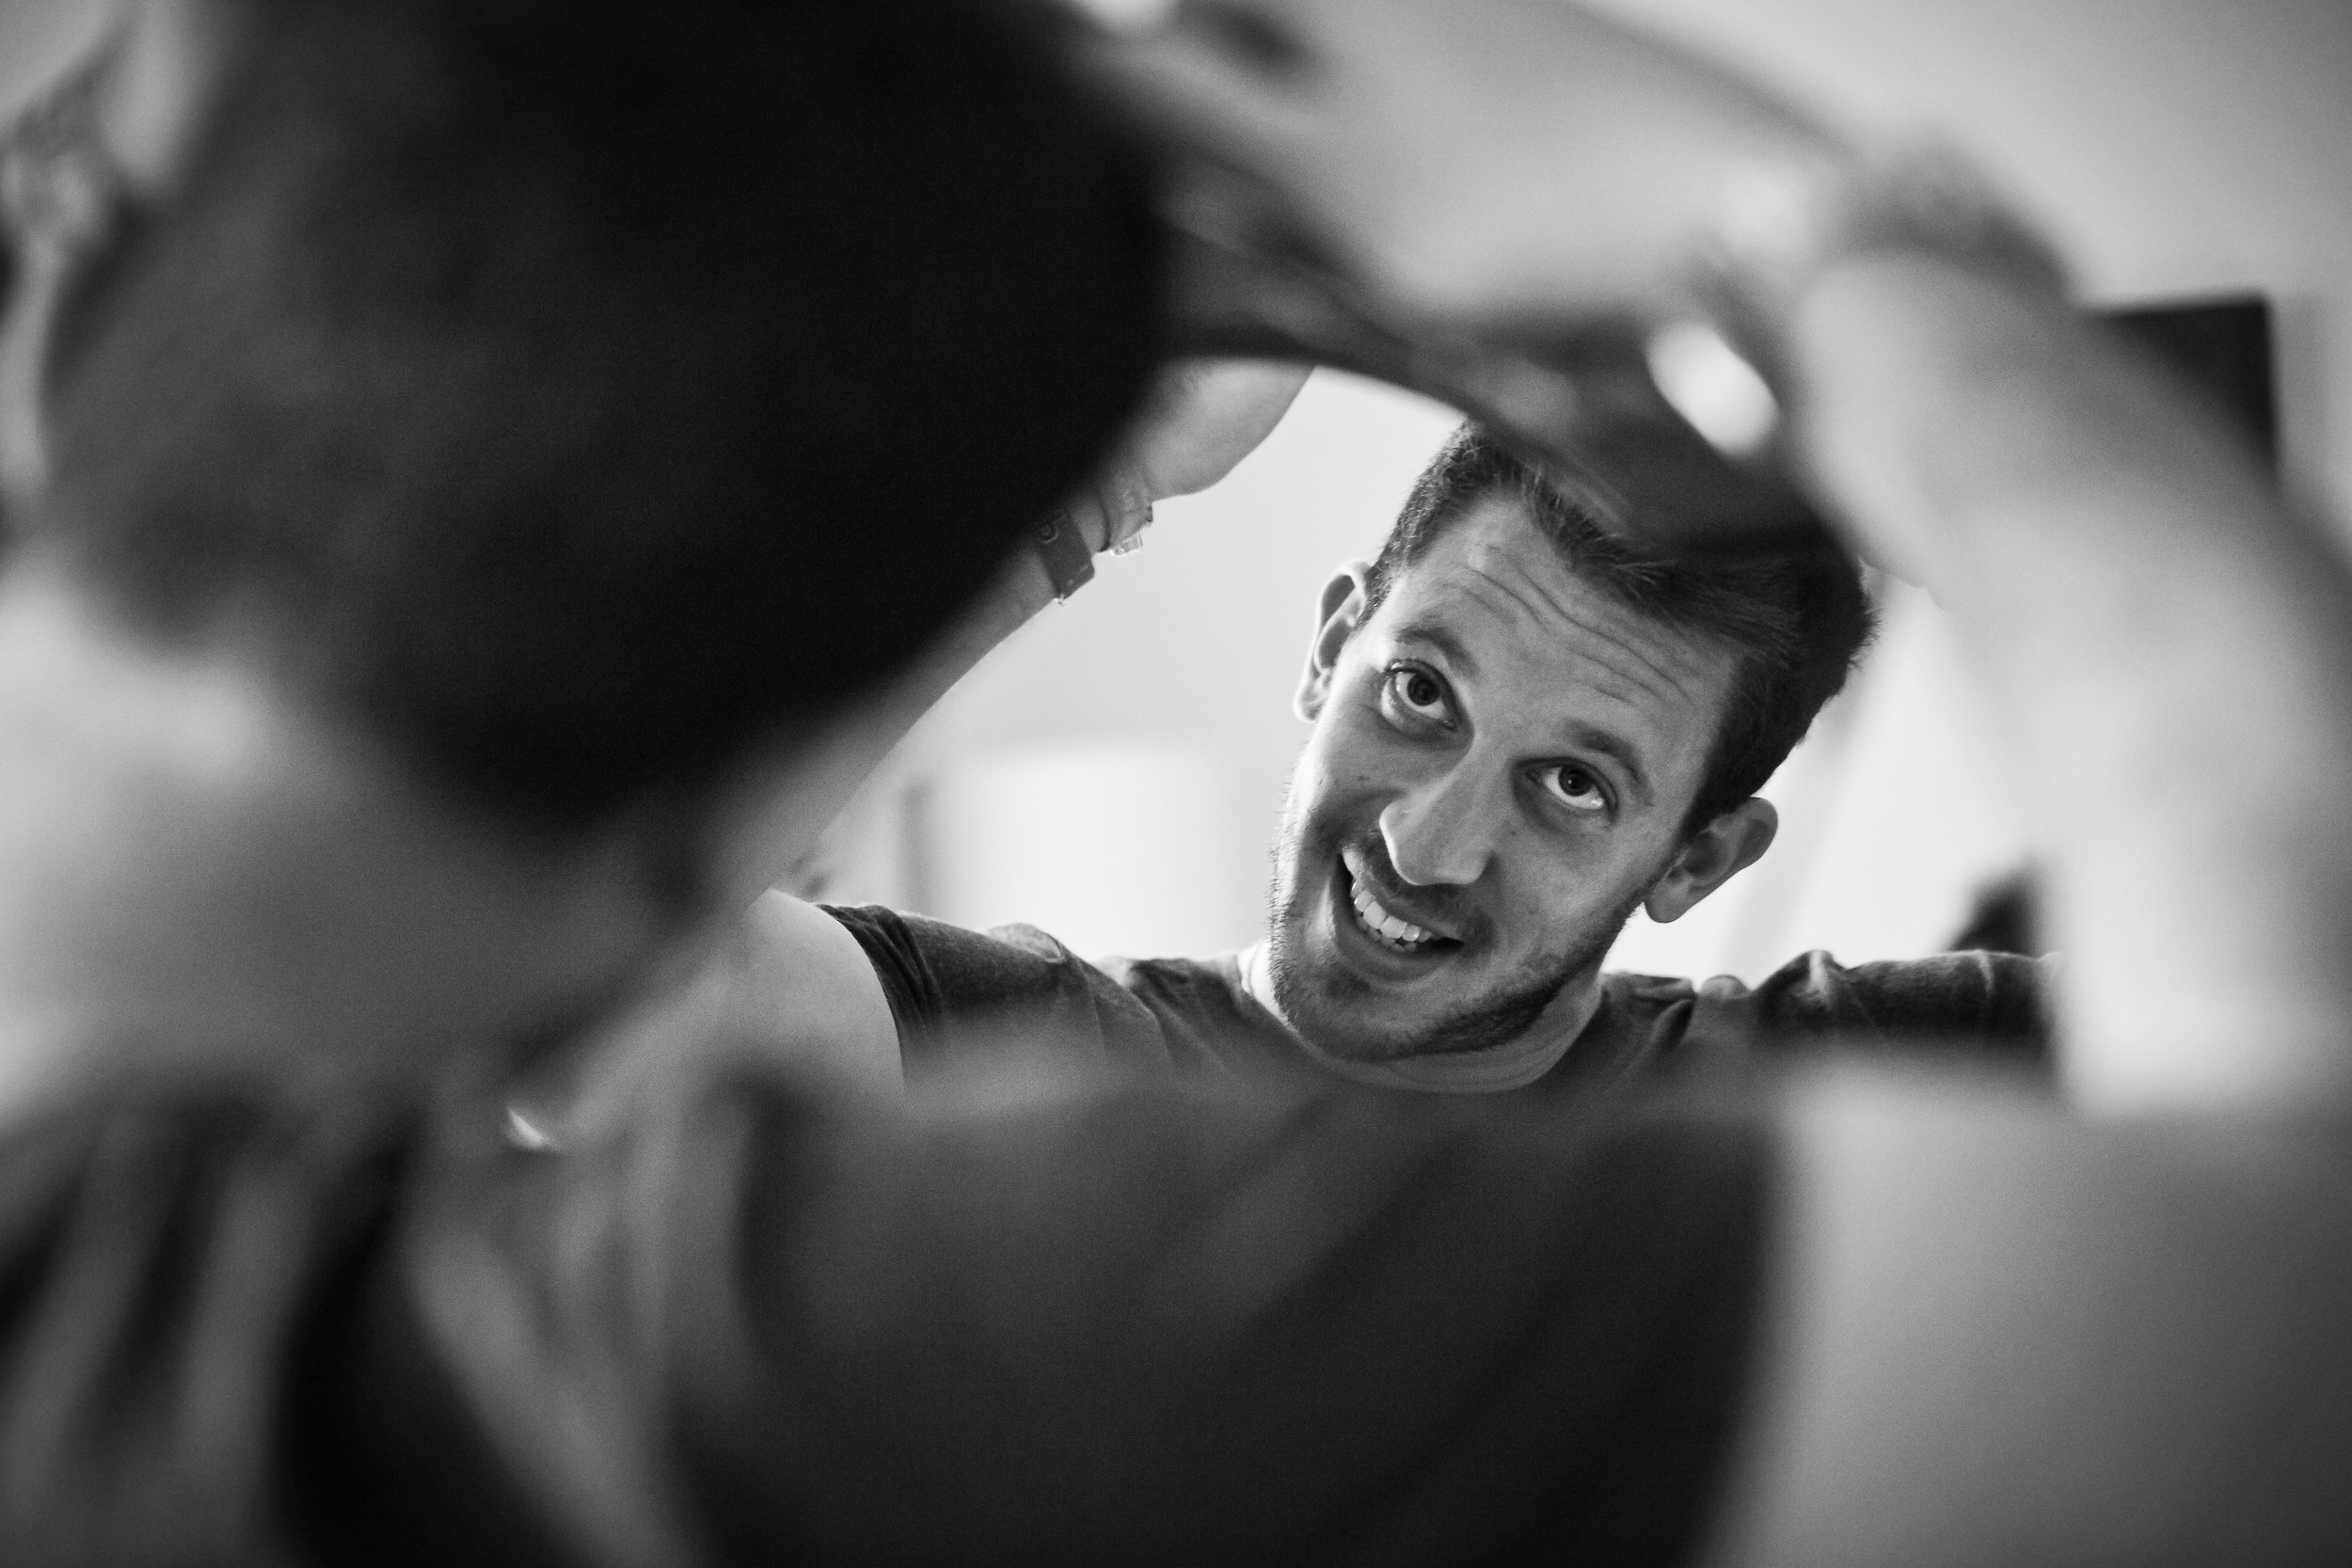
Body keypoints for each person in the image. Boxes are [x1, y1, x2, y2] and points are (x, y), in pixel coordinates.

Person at [0, 2, 2347, 1566]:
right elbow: (2290, 1313)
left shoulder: (1877, 1062)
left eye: (1568, 789)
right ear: (1327, 644)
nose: (1426, 841)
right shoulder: (937, 1149)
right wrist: (1799, 229)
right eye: (1415, 698)